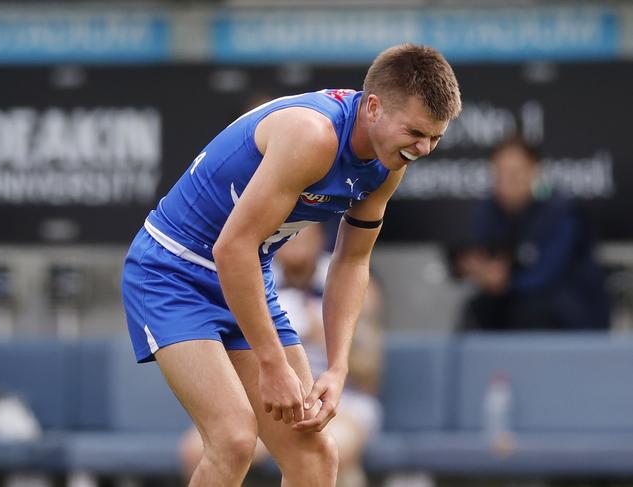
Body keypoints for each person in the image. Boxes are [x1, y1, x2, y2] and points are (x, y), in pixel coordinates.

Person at [121, 44, 461, 487]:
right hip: (172, 271)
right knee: (234, 438)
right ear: (373, 107)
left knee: (315, 455)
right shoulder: (313, 135)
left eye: (435, 138)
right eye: (416, 132)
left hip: (245, 273)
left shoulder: (389, 164)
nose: (424, 149)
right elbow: (231, 248)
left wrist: (337, 368)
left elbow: (352, 260)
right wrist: (272, 364)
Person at [179, 224, 385, 487]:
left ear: (320, 239)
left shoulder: (352, 283)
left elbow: (369, 375)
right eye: (289, 237)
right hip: (269, 401)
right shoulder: (248, 282)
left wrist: (322, 334)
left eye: (304, 236)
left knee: (330, 451)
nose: (295, 243)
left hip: (342, 402)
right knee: (199, 450)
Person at [453, 135, 610, 331]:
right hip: (513, 301)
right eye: (500, 174)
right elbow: (478, 253)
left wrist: (505, 282)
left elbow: (548, 272)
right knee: (476, 310)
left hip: (566, 309)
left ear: (534, 171)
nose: (507, 182)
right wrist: (476, 269)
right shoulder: (489, 210)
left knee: (533, 313)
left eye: (515, 173)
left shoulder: (562, 212)